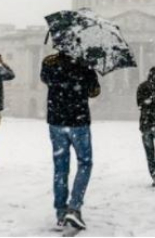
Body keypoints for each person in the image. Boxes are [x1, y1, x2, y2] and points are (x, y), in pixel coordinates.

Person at [40, 51, 100, 231]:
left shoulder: (49, 62)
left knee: (60, 167)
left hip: (57, 120)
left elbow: (45, 79)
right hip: (78, 121)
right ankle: (74, 207)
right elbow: (94, 92)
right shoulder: (86, 64)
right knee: (85, 163)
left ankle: (60, 211)